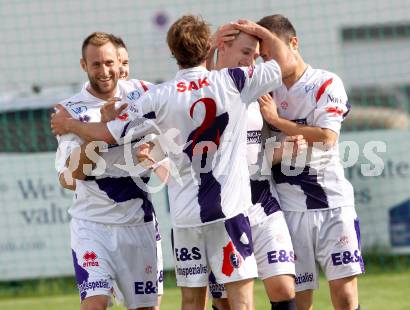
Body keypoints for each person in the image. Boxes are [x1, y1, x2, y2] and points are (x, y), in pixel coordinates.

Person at [51, 15, 297, 310]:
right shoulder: (232, 81)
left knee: (192, 302)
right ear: (209, 47)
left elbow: (107, 133)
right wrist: (259, 31)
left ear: (172, 52)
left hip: (185, 218)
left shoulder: (158, 96)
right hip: (229, 211)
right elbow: (287, 63)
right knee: (240, 301)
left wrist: (70, 124)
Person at [256, 14, 363, 310]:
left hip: (333, 204)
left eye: (272, 54)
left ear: (294, 43)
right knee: (299, 299)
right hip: (288, 209)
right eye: (263, 58)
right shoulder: (263, 91)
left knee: (345, 295)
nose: (269, 64)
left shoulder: (326, 82)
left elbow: (327, 137)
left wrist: (278, 121)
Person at [54, 32, 162, 310]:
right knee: (95, 303)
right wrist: (99, 133)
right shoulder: (70, 111)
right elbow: (69, 178)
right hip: (92, 226)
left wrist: (156, 154)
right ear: (83, 65)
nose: (105, 71)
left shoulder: (145, 94)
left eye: (110, 63)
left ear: (120, 62)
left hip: (138, 224)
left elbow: (175, 128)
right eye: (96, 65)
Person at [204, 27, 304, 310]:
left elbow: (289, 62)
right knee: (225, 302)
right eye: (246, 52)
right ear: (222, 48)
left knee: (283, 287)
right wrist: (210, 45)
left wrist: (283, 148)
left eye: (256, 56)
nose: (251, 61)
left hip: (261, 200)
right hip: (221, 210)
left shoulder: (257, 88)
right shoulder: (205, 89)